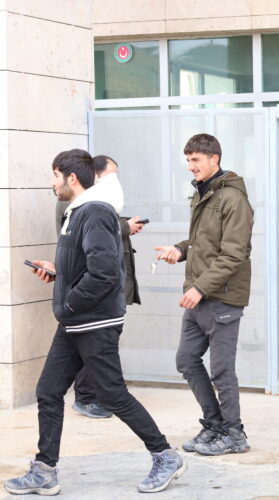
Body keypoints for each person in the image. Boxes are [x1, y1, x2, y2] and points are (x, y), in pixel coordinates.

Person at [4, 149, 185, 496]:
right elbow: (86, 266)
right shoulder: (76, 213)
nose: (52, 183)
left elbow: (104, 274)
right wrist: (59, 273)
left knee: (112, 394)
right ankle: (44, 470)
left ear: (71, 178)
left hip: (93, 322)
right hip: (75, 321)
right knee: (48, 391)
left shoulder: (95, 212)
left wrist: (69, 302)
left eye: (55, 176)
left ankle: (165, 456)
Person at [155, 133, 253, 456]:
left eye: (195, 160)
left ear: (215, 159)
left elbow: (234, 254)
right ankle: (214, 424)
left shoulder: (232, 199)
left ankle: (235, 434)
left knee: (222, 370)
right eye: (188, 159)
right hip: (200, 294)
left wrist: (200, 287)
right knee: (186, 359)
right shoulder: (203, 193)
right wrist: (180, 250)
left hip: (221, 297)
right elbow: (203, 242)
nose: (190, 166)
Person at [55, 155, 146, 419]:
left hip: (92, 303)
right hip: (86, 305)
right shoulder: (82, 206)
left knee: (96, 371)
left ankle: (97, 397)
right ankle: (88, 398)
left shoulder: (93, 206)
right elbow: (98, 268)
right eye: (110, 174)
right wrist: (70, 303)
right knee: (57, 385)